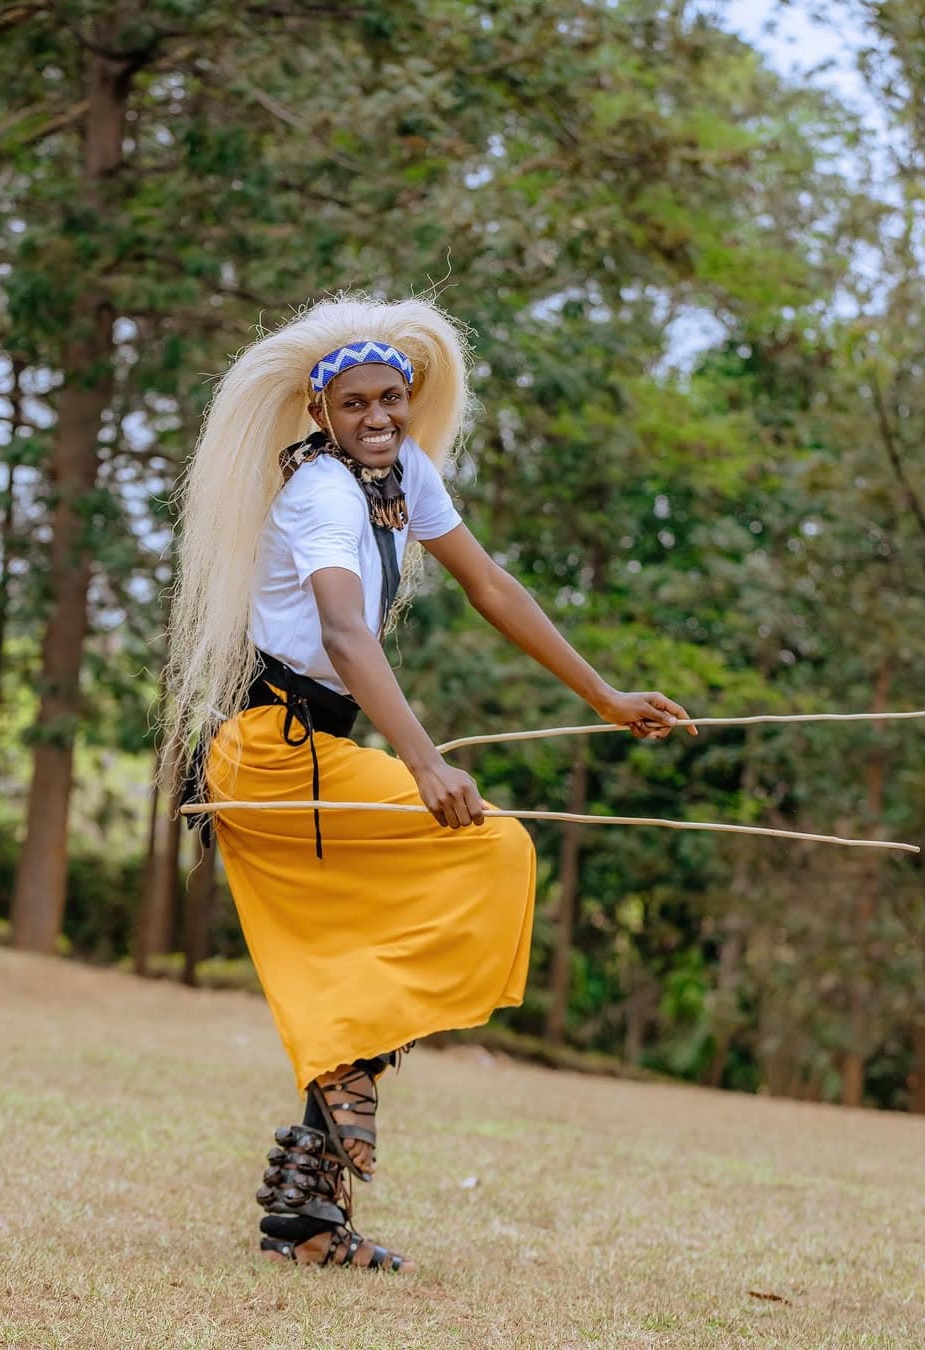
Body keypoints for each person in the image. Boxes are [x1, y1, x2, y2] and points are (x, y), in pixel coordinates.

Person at [163, 294, 696, 1273]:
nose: (377, 418)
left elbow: (491, 587)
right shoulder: (323, 493)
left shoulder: (405, 475)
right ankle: (345, 1074)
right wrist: (423, 760)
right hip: (268, 756)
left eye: (392, 400)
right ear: (322, 416)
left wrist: (606, 694)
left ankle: (308, 1211)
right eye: (356, 404)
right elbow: (343, 634)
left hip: (312, 751)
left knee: (401, 922)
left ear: (410, 404)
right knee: (492, 847)